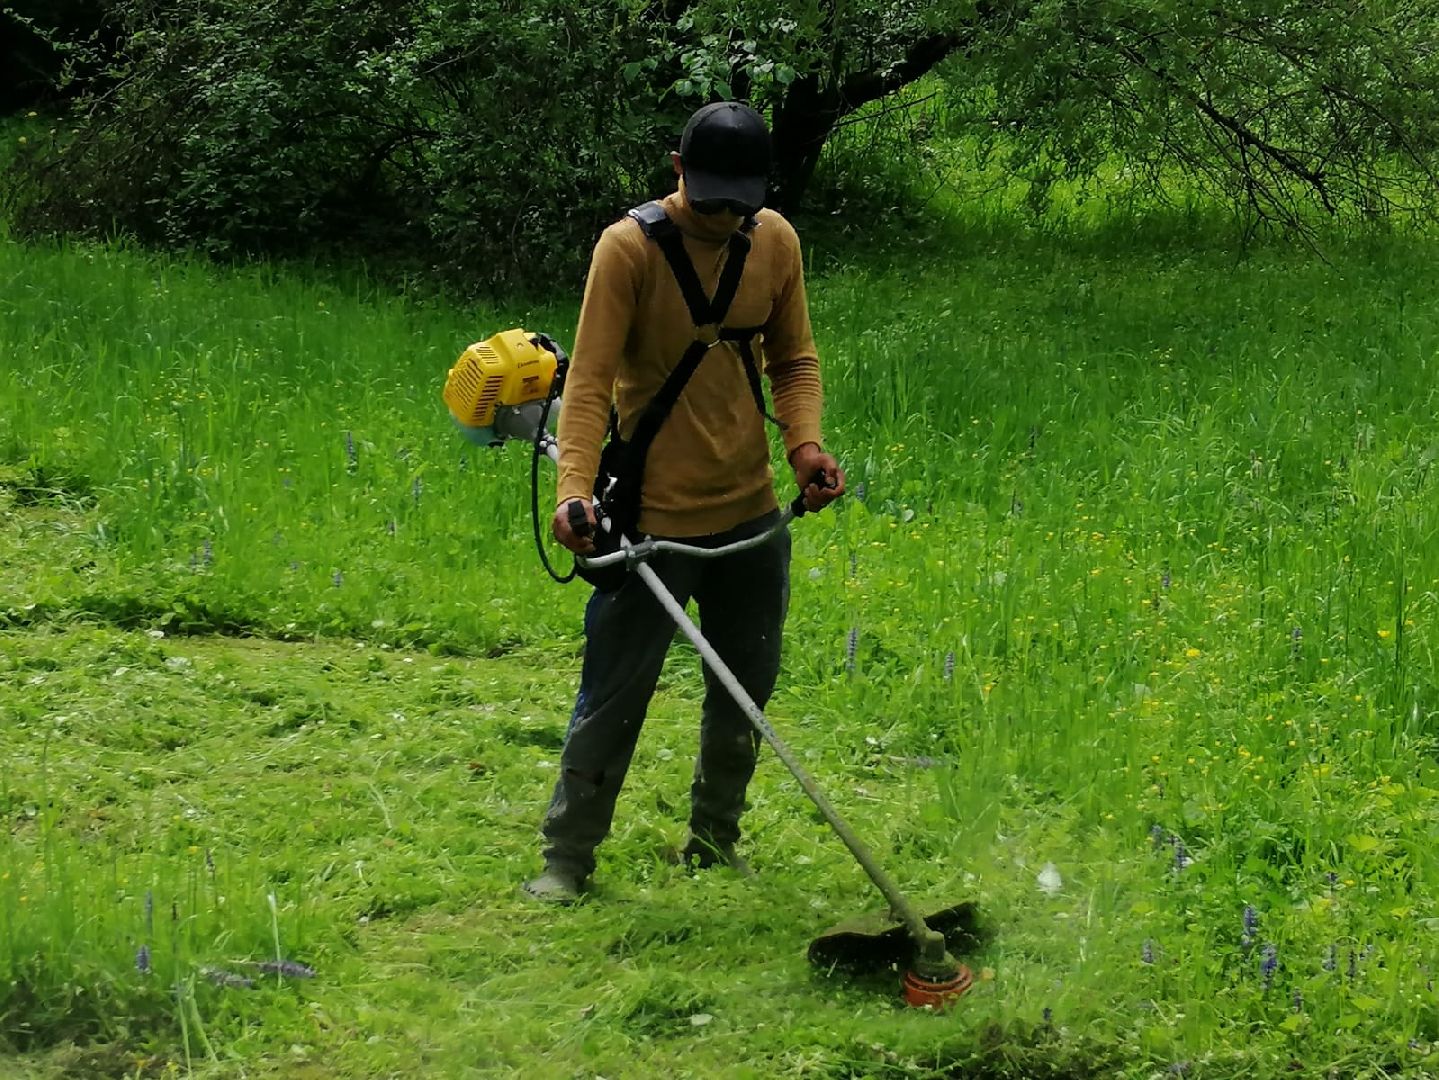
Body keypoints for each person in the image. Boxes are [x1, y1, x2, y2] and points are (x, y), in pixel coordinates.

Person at [523, 101, 844, 903]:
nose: (725, 213)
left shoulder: (774, 243)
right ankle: (566, 859)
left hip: (750, 517)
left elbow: (794, 359)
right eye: (710, 196)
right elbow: (589, 383)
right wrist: (573, 496)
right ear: (677, 171)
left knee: (745, 687)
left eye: (741, 198)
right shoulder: (627, 249)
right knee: (614, 693)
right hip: (648, 522)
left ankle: (713, 839)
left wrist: (803, 446)